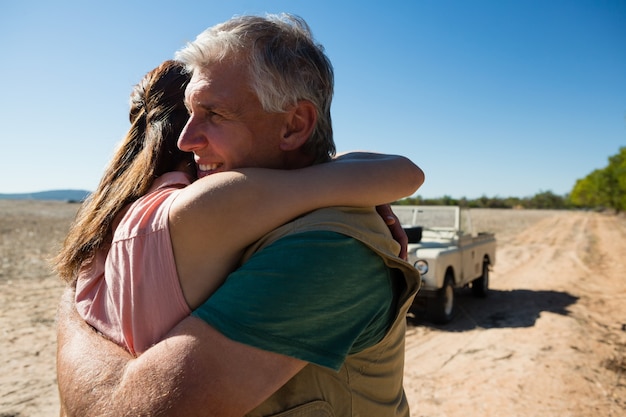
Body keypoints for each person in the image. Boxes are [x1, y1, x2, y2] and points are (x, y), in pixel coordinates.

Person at [56, 13, 424, 417]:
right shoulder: (220, 203)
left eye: (215, 115)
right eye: (190, 112)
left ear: (294, 125)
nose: (187, 139)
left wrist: (77, 305)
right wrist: (349, 179)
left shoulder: (330, 245)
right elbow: (404, 171)